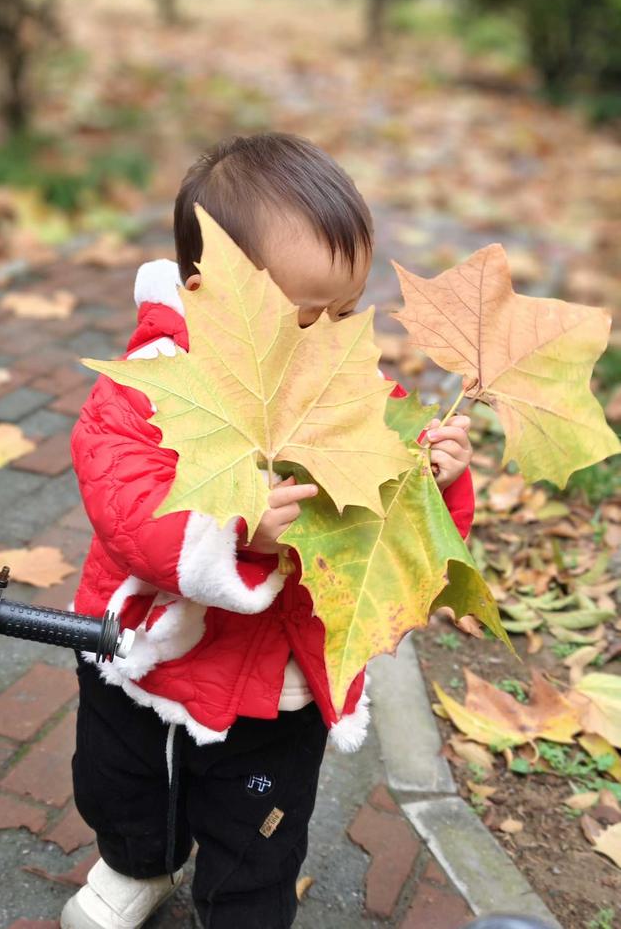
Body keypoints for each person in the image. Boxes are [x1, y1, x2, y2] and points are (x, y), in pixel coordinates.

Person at [61, 133, 474, 929]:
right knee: (123, 777)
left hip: (274, 673)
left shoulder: (347, 394)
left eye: (344, 313)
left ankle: (241, 908)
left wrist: (438, 478)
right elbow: (124, 498)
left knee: (258, 830)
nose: (325, 336)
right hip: (152, 643)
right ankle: (136, 862)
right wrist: (229, 525)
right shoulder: (155, 386)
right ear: (207, 292)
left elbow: (392, 512)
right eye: (301, 314)